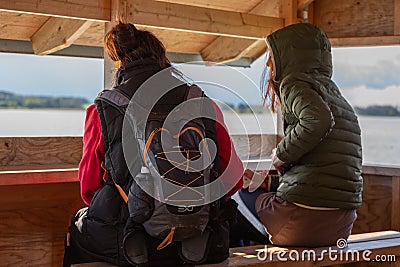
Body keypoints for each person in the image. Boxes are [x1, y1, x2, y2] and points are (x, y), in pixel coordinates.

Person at [63, 22, 243, 266]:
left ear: (119, 64)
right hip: (199, 241)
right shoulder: (200, 102)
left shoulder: (103, 109)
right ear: (161, 60)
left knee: (76, 229)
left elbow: (89, 189)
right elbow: (234, 178)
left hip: (131, 245)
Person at [234, 23, 363, 247]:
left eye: (271, 56)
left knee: (234, 200)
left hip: (302, 223)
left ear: (287, 57)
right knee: (256, 199)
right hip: (340, 227)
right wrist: (271, 181)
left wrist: (279, 155)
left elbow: (317, 121)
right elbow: (320, 172)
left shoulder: (293, 83)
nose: (267, 64)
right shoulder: (334, 94)